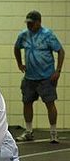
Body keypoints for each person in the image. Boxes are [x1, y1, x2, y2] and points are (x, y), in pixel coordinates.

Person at [14, 10, 65, 143]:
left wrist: (58, 71)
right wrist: (20, 63)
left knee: (50, 103)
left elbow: (60, 51)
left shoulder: (48, 35)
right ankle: (29, 131)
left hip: (46, 77)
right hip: (30, 77)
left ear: (38, 22)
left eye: (32, 23)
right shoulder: (23, 35)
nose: (29, 26)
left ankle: (53, 132)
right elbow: (16, 47)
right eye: (28, 23)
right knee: (27, 102)